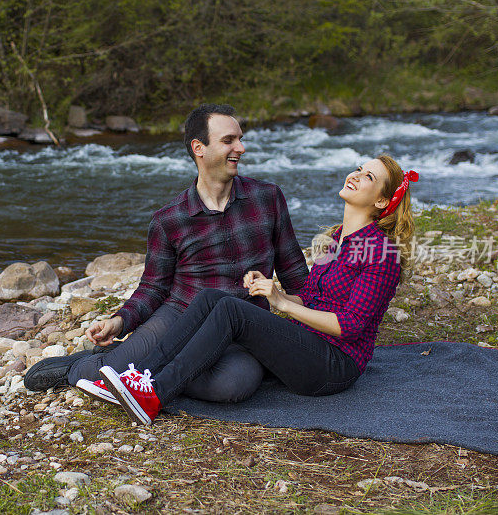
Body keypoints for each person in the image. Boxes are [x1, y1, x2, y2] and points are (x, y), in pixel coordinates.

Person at [83, 154, 417, 425]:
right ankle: (137, 377)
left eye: (369, 177)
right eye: (359, 168)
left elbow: (350, 325)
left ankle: (155, 395)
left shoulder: (381, 251)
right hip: (307, 344)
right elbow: (314, 300)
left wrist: (281, 305)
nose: (356, 175)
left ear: (382, 201)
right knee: (212, 297)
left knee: (230, 309)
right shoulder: (335, 238)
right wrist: (272, 290)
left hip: (333, 365)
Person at [24, 104, 309, 403]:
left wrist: (314, 327)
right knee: (99, 377)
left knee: (230, 388)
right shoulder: (169, 219)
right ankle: (90, 362)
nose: (241, 147)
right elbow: (153, 287)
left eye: (239, 138)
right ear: (199, 148)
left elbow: (295, 274)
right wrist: (120, 322)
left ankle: (152, 369)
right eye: (229, 140)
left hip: (243, 325)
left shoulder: (267, 198)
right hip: (178, 318)